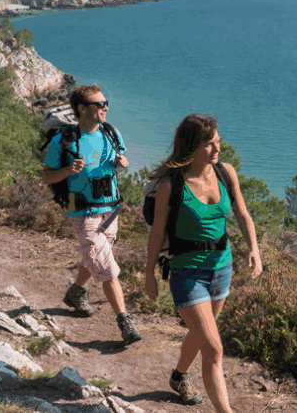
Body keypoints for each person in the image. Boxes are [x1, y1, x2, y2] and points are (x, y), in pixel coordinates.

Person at [145, 114, 263, 410]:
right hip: (187, 275)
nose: (217, 149)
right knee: (214, 348)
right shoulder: (170, 187)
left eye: (218, 142)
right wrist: (148, 273)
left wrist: (254, 249)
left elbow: (243, 214)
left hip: (222, 269)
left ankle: (179, 376)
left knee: (200, 337)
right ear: (191, 146)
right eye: (209, 144)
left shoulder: (225, 173)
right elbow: (158, 232)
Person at [41, 84, 142, 345]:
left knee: (95, 256)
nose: (105, 107)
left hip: (110, 209)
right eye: (100, 104)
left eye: (105, 102)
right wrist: (67, 171)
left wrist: (123, 163)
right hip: (83, 212)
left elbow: (120, 159)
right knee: (108, 268)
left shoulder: (111, 132)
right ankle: (125, 321)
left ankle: (76, 292)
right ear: (82, 109)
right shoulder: (62, 141)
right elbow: (46, 175)